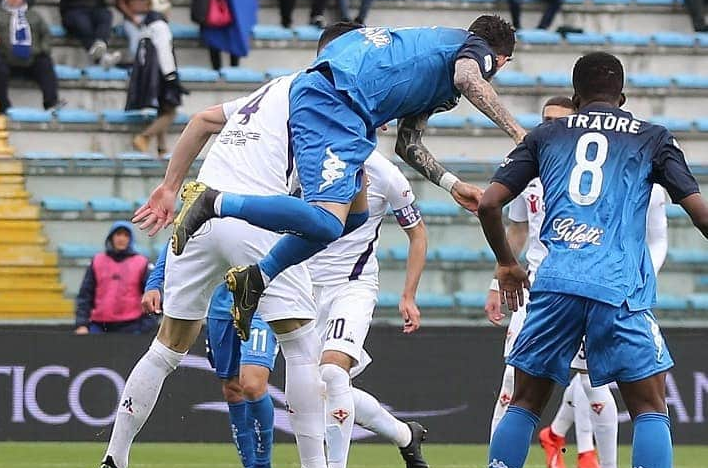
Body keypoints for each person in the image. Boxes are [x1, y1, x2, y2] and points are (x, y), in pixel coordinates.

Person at [93, 28, 365, 468]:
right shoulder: (334, 103)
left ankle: (114, 461)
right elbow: (348, 208)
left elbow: (199, 120)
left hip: (197, 209)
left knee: (166, 347)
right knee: (302, 347)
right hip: (250, 217)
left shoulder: (269, 89)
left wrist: (168, 188)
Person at [474, 51, 708, 468]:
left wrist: (507, 266)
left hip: (555, 284)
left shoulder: (546, 134)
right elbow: (698, 212)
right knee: (649, 407)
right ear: (622, 97)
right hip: (618, 286)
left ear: (575, 97)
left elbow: (490, 203)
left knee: (524, 403)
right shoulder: (652, 137)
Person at [167, 17, 520, 340]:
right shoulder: (474, 50)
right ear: (501, 59)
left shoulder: (433, 67)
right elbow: (468, 77)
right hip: (336, 102)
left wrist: (451, 184)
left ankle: (256, 279)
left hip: (347, 111)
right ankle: (213, 201)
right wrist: (520, 135)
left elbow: (407, 143)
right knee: (325, 222)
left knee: (354, 218)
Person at [461, 96, 580, 468]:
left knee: (616, 385)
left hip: (587, 284)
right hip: (536, 290)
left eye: (559, 120)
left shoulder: (587, 174)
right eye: (545, 119)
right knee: (513, 377)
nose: (549, 126)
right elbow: (516, 230)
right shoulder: (529, 170)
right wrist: (498, 281)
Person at [309, 146, 430, 468]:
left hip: (353, 284)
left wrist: (408, 295)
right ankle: (406, 435)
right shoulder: (308, 159)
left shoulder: (385, 174)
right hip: (305, 286)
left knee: (333, 372)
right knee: (317, 390)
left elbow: (418, 234)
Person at [536, 183, 668, 468]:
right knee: (581, 380)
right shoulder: (580, 180)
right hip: (572, 288)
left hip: (622, 294)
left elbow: (658, 239)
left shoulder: (651, 190)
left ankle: (559, 437)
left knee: (594, 379)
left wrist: (640, 276)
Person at [143, 251, 279, 468]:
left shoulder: (260, 210)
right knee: (232, 389)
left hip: (263, 303)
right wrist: (154, 284)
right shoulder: (208, 211)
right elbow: (179, 239)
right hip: (220, 308)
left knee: (252, 383)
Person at [0, 0, 58, 114]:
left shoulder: (33, 15)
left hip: (31, 58)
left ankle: (51, 104)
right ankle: (3, 105)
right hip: (6, 58)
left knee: (45, 64)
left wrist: (42, 49)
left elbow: (46, 35)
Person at [124, 0, 183, 154]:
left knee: (162, 110)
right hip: (161, 75)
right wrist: (171, 75)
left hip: (148, 75)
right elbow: (164, 52)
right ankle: (144, 137)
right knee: (170, 112)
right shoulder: (161, 26)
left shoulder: (146, 26)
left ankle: (161, 148)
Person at [74, 222, 153, 335]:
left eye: (126, 235)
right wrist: (81, 324)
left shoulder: (141, 263)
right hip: (99, 325)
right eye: (118, 234)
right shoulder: (97, 261)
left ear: (131, 239)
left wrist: (144, 328)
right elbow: (85, 296)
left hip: (131, 326)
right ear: (111, 237)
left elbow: (152, 297)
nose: (121, 238)